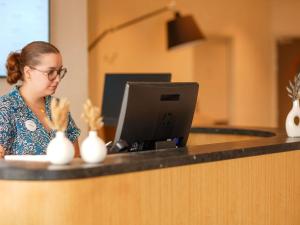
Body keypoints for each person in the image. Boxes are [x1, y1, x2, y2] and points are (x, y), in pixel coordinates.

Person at [0, 41, 80, 158]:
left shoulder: (59, 107)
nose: (57, 79)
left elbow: (76, 157)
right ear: (28, 72)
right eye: (50, 72)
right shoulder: (5, 108)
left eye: (59, 72)